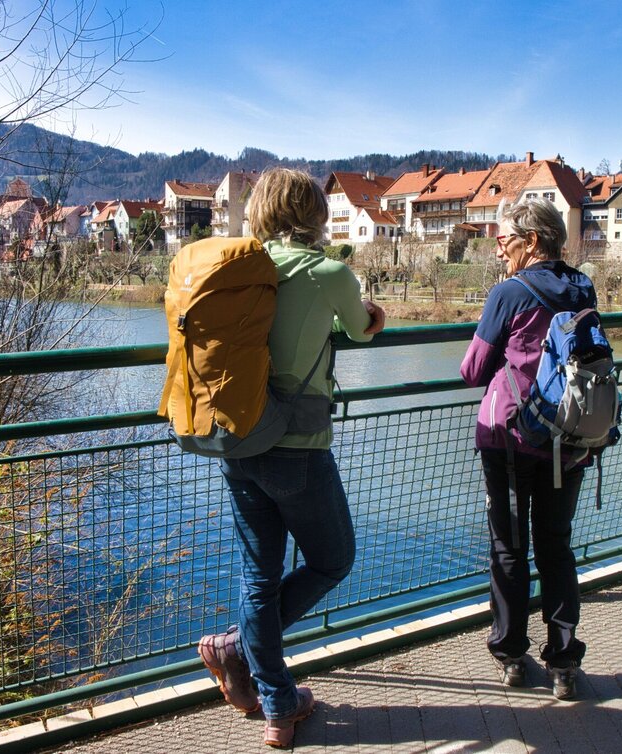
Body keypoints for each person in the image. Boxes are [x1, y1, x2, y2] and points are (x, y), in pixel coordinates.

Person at [197, 167, 385, 748]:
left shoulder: (236, 271)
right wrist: (372, 316)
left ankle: (276, 708)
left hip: (236, 439)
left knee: (260, 579)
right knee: (333, 560)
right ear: (314, 215)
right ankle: (237, 652)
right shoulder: (329, 272)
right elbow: (361, 329)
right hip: (297, 447)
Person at [459, 197, 593, 700]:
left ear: (531, 240)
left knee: (509, 550)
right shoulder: (583, 286)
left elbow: (473, 370)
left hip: (511, 438)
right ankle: (563, 664)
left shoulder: (509, 292)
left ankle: (511, 656)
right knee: (556, 545)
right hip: (572, 436)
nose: (499, 251)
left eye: (503, 240)